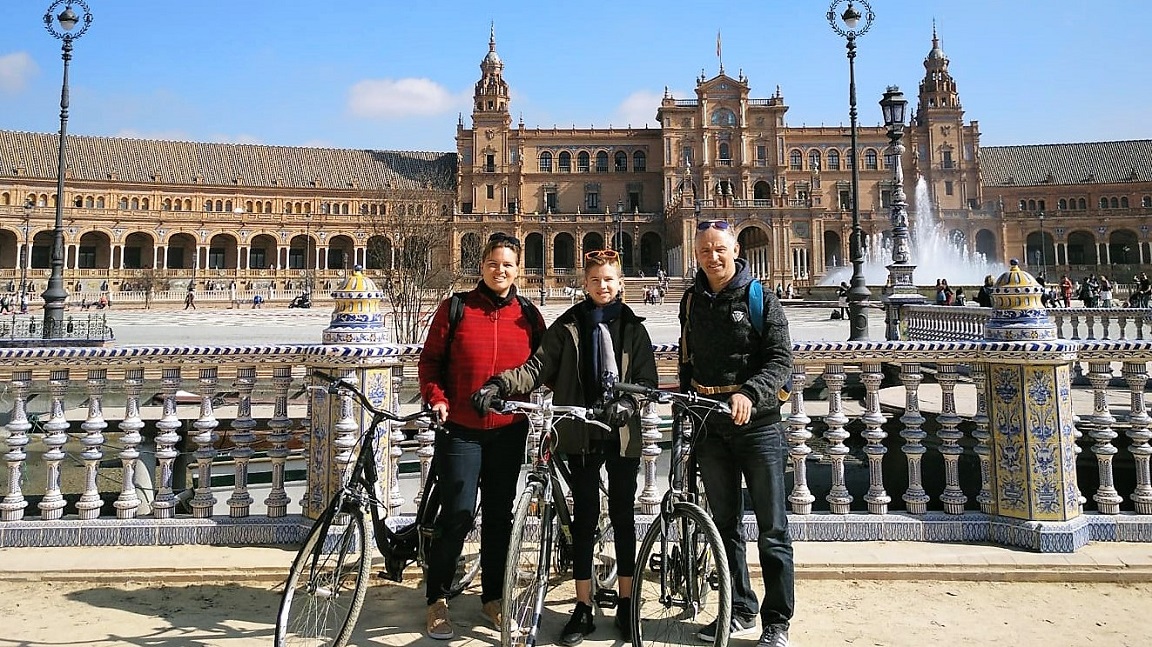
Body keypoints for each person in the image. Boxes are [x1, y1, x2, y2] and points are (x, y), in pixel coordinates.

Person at [473, 248, 657, 644]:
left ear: (620, 283)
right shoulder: (568, 326)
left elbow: (647, 382)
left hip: (622, 434)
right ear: (584, 284)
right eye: (595, 280)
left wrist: (628, 405)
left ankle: (626, 603)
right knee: (585, 518)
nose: (602, 286)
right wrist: (500, 384)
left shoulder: (634, 330)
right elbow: (535, 368)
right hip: (579, 431)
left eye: (609, 279)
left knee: (624, 518)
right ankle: (584, 606)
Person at [417, 232, 546, 641]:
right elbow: (430, 363)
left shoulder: (529, 315)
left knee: (499, 518)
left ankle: (494, 598)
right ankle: (437, 599)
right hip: (461, 429)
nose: (500, 270)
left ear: (518, 269)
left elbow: (545, 366)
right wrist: (436, 399)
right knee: (456, 514)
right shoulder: (456, 308)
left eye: (508, 264)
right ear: (482, 266)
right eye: (494, 263)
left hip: (509, 431)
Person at [679, 219, 794, 647]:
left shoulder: (759, 295)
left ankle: (777, 621)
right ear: (696, 254)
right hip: (711, 423)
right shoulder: (691, 299)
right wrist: (687, 399)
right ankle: (741, 607)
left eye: (720, 249)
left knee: (772, 529)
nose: (713, 256)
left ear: (735, 250)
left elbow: (781, 359)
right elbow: (689, 357)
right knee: (724, 524)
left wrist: (750, 392)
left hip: (758, 426)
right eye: (705, 250)